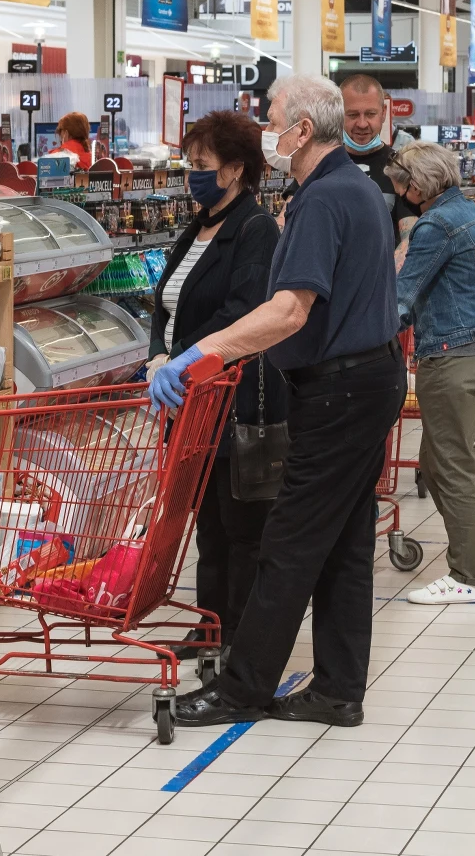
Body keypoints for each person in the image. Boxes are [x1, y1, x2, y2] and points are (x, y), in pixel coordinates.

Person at [151, 75, 405, 728]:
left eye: (271, 117)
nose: (266, 126)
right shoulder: (350, 188)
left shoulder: (323, 200)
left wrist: (201, 355)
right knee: (345, 543)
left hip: (339, 389)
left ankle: (241, 689)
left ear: (301, 130)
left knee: (287, 544)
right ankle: (338, 688)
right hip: (368, 378)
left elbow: (289, 310)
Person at [147, 110, 285, 656]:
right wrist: (159, 355)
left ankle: (241, 636)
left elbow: (240, 313)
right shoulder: (195, 227)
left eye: (200, 164)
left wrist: (180, 360)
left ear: (233, 170)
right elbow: (164, 303)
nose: (191, 173)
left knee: (241, 528)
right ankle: (209, 628)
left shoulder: (255, 230)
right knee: (208, 525)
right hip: (190, 403)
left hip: (234, 402)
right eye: (189, 163)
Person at [384, 142, 475, 605]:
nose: (396, 189)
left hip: (453, 362)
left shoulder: (435, 225)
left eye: (399, 182)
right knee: (438, 465)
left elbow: (403, 297)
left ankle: (470, 576)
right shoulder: (470, 212)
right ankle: (467, 561)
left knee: (452, 468)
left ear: (416, 185)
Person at [338, 75, 420, 251]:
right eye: (352, 115)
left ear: (383, 113)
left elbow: (410, 239)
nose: (362, 123)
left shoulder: (401, 168)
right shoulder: (319, 164)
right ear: (338, 113)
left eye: (370, 114)